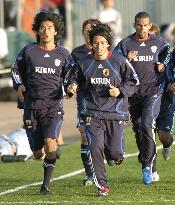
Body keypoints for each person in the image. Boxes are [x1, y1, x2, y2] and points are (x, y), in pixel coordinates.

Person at [66, 24, 138, 196]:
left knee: (115, 153)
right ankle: (102, 186)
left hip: (115, 113)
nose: (98, 46)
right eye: (95, 43)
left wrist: (119, 91)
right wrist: (71, 86)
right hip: (92, 113)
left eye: (102, 43)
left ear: (108, 44)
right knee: (94, 148)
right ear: (91, 44)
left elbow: (133, 82)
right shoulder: (83, 62)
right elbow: (72, 79)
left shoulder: (119, 61)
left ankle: (114, 155)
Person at [11, 11, 72, 195]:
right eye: (43, 28)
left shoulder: (63, 54)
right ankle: (43, 154)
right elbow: (15, 69)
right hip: (31, 107)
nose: (46, 31)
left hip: (53, 106)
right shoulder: (28, 51)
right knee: (38, 152)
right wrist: (19, 85)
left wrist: (69, 87)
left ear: (56, 31)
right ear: (37, 31)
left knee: (50, 143)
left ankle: (45, 186)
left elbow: (70, 75)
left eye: (50, 28)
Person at [114, 12, 171, 185]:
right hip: (133, 94)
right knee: (139, 128)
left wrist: (164, 64)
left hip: (153, 90)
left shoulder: (158, 42)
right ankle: (147, 161)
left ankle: (148, 167)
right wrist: (126, 59)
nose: (142, 28)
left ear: (149, 25)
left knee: (147, 124)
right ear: (134, 25)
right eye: (139, 25)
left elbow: (169, 53)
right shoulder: (125, 43)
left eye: (145, 25)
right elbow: (114, 61)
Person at [71, 18, 101, 186]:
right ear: (82, 32)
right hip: (84, 101)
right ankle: (90, 175)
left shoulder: (106, 50)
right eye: (87, 29)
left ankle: (111, 155)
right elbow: (70, 74)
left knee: (103, 140)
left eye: (94, 28)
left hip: (105, 102)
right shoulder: (76, 53)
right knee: (84, 135)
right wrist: (70, 85)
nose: (90, 31)